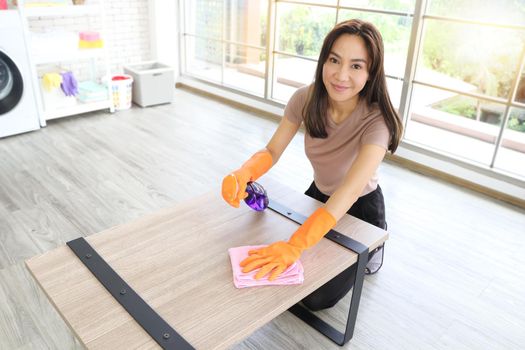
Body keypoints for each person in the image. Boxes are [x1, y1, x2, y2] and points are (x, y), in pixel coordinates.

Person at [221, 19, 403, 311]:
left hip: (360, 206)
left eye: (356, 66)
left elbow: (346, 193)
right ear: (323, 61)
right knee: (284, 275)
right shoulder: (305, 98)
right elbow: (271, 149)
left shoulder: (377, 121)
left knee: (315, 297)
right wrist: (244, 172)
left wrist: (295, 245)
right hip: (319, 195)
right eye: (334, 60)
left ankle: (375, 243)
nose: (341, 75)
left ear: (371, 73)